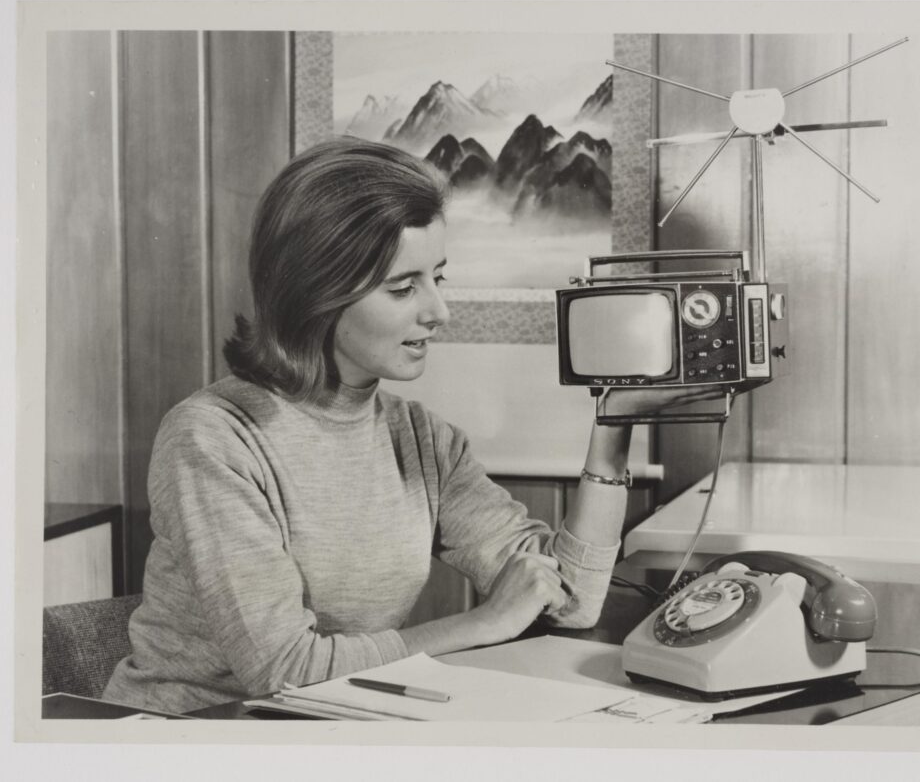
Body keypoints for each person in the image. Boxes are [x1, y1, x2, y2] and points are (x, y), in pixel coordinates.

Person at [104, 137, 705, 714]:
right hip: (191, 737)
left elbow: (570, 601)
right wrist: (482, 622)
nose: (437, 311)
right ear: (319, 293)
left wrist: (610, 438)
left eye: (437, 277)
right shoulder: (214, 438)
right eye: (403, 287)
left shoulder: (421, 439)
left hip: (328, 728)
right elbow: (284, 667)